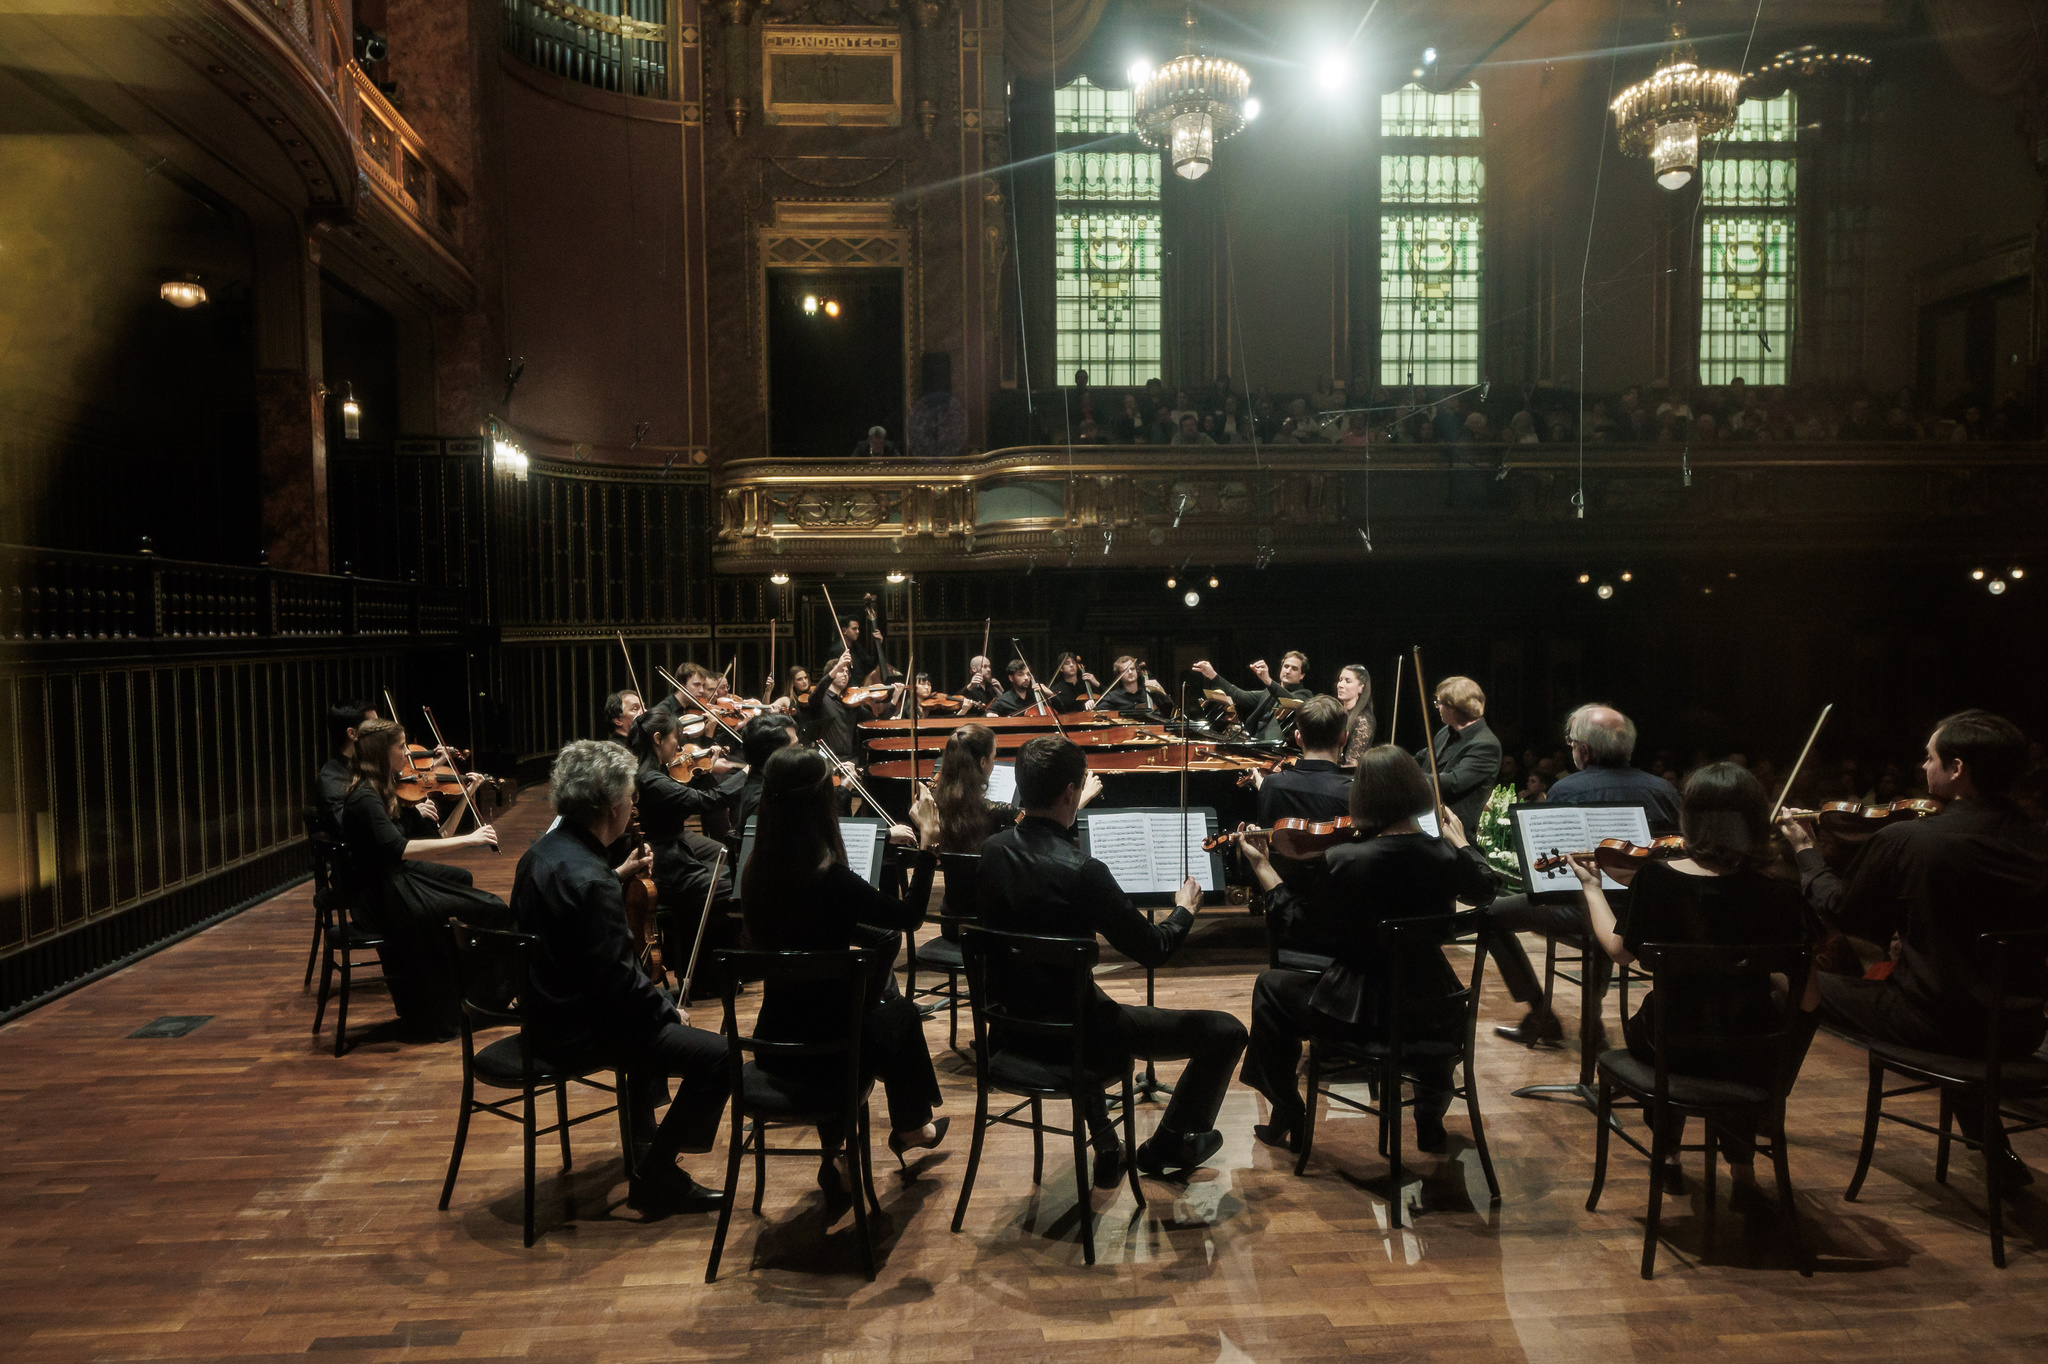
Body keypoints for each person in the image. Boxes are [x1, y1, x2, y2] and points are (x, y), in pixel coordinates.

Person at [1785, 710, 2048, 1184]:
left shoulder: (1910, 839)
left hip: (1934, 1024)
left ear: (1957, 769)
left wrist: (1806, 854)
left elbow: (1840, 910)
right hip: (2020, 1028)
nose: (1922, 768)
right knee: (1963, 999)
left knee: (1788, 981)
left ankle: (1758, 1112)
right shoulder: (2038, 842)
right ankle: (1994, 1150)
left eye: (1930, 758)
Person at [975, 736, 1248, 1183]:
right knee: (1227, 1031)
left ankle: (1106, 1143)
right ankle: (1170, 1142)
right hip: (1079, 1041)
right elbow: (1154, 948)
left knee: (1082, 996)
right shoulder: (1084, 872)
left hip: (1009, 1032)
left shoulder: (992, 850)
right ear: (1070, 791)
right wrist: (1185, 910)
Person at [1563, 762, 1815, 1202]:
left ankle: (1669, 1156)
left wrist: (1592, 888)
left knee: (1658, 1021)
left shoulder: (1657, 879)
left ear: (1690, 817)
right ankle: (1742, 1170)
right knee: (1745, 1039)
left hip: (1670, 1046)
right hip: (1749, 1052)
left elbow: (1621, 953)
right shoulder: (1780, 893)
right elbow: (1808, 1000)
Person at [1237, 745, 1498, 1153]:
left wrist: (1265, 869)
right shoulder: (1445, 855)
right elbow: (1484, 886)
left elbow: (1300, 931)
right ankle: (1429, 1118)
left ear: (1362, 798)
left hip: (1362, 1017)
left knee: (1270, 986)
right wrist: (1460, 842)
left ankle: (1286, 1105)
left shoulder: (1346, 860)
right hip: (1436, 1013)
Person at [512, 740, 730, 1213]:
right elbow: (616, 983)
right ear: (613, 807)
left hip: (544, 1014)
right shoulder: (592, 878)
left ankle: (646, 1135)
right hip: (579, 1030)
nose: (636, 807)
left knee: (652, 1019)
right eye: (632, 799)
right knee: (720, 1057)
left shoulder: (542, 855)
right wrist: (669, 1009)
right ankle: (657, 1176)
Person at [740, 747, 950, 1193]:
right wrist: (929, 844)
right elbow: (910, 916)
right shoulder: (831, 877)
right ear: (819, 802)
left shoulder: (756, 872)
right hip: (834, 1046)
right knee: (902, 1015)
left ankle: (837, 1155)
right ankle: (912, 1129)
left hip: (773, 1042)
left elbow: (810, 925)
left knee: (879, 1013)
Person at [1488, 705, 1681, 1045]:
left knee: (1492, 915)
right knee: (1606, 908)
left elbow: (1555, 870)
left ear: (1585, 750)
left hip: (1588, 911)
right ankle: (1591, 1020)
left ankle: (1540, 1014)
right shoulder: (1662, 790)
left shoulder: (1568, 789)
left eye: (1571, 742)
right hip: (1648, 915)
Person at [336, 719, 509, 1035]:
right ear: (380, 752)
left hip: (393, 884)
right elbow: (400, 848)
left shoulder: (385, 789)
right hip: (380, 897)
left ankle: (476, 997)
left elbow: (437, 836)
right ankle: (474, 1001)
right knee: (490, 907)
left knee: (465, 886)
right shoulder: (365, 798)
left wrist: (468, 793)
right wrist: (472, 840)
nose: (407, 754)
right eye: (400, 747)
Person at [632, 709, 746, 988]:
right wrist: (746, 773)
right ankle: (710, 972)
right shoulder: (651, 779)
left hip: (671, 852)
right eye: (675, 739)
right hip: (667, 865)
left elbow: (682, 789)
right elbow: (709, 801)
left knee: (728, 869)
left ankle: (716, 966)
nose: (680, 747)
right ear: (658, 738)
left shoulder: (652, 771)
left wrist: (702, 768)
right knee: (737, 882)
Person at [1414, 675, 1500, 833]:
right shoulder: (1446, 732)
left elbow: (1453, 782)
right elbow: (1423, 757)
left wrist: (1406, 778)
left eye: (1439, 703)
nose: (1437, 707)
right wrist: (1390, 763)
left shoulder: (1485, 745)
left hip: (1454, 832)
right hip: (1426, 822)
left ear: (1455, 708)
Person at [1191, 651, 1311, 743]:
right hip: (1256, 744)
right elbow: (1238, 695)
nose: (1288, 671)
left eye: (1294, 668)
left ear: (1302, 675)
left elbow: (1289, 701)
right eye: (1286, 666)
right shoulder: (1267, 692)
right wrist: (1213, 675)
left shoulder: (1304, 695)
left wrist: (1268, 681)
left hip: (1277, 750)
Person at [735, 710, 799, 827]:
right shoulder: (763, 801)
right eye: (794, 747)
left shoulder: (770, 781)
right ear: (774, 755)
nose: (800, 752)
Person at [1087, 655, 1171, 719]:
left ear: (1137, 671)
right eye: (1125, 670)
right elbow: (1096, 713)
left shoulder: (1149, 694)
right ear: (1119, 675)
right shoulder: (1113, 696)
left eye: (1132, 669)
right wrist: (1091, 705)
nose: (1130, 672)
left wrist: (1161, 690)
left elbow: (1170, 713)